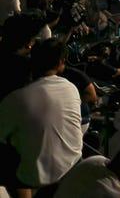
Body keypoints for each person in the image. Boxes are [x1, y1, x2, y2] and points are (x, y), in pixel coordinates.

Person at [0, 38, 82, 193]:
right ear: (60, 63)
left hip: (34, 177)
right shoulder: (71, 88)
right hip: (73, 165)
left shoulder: (15, 99)